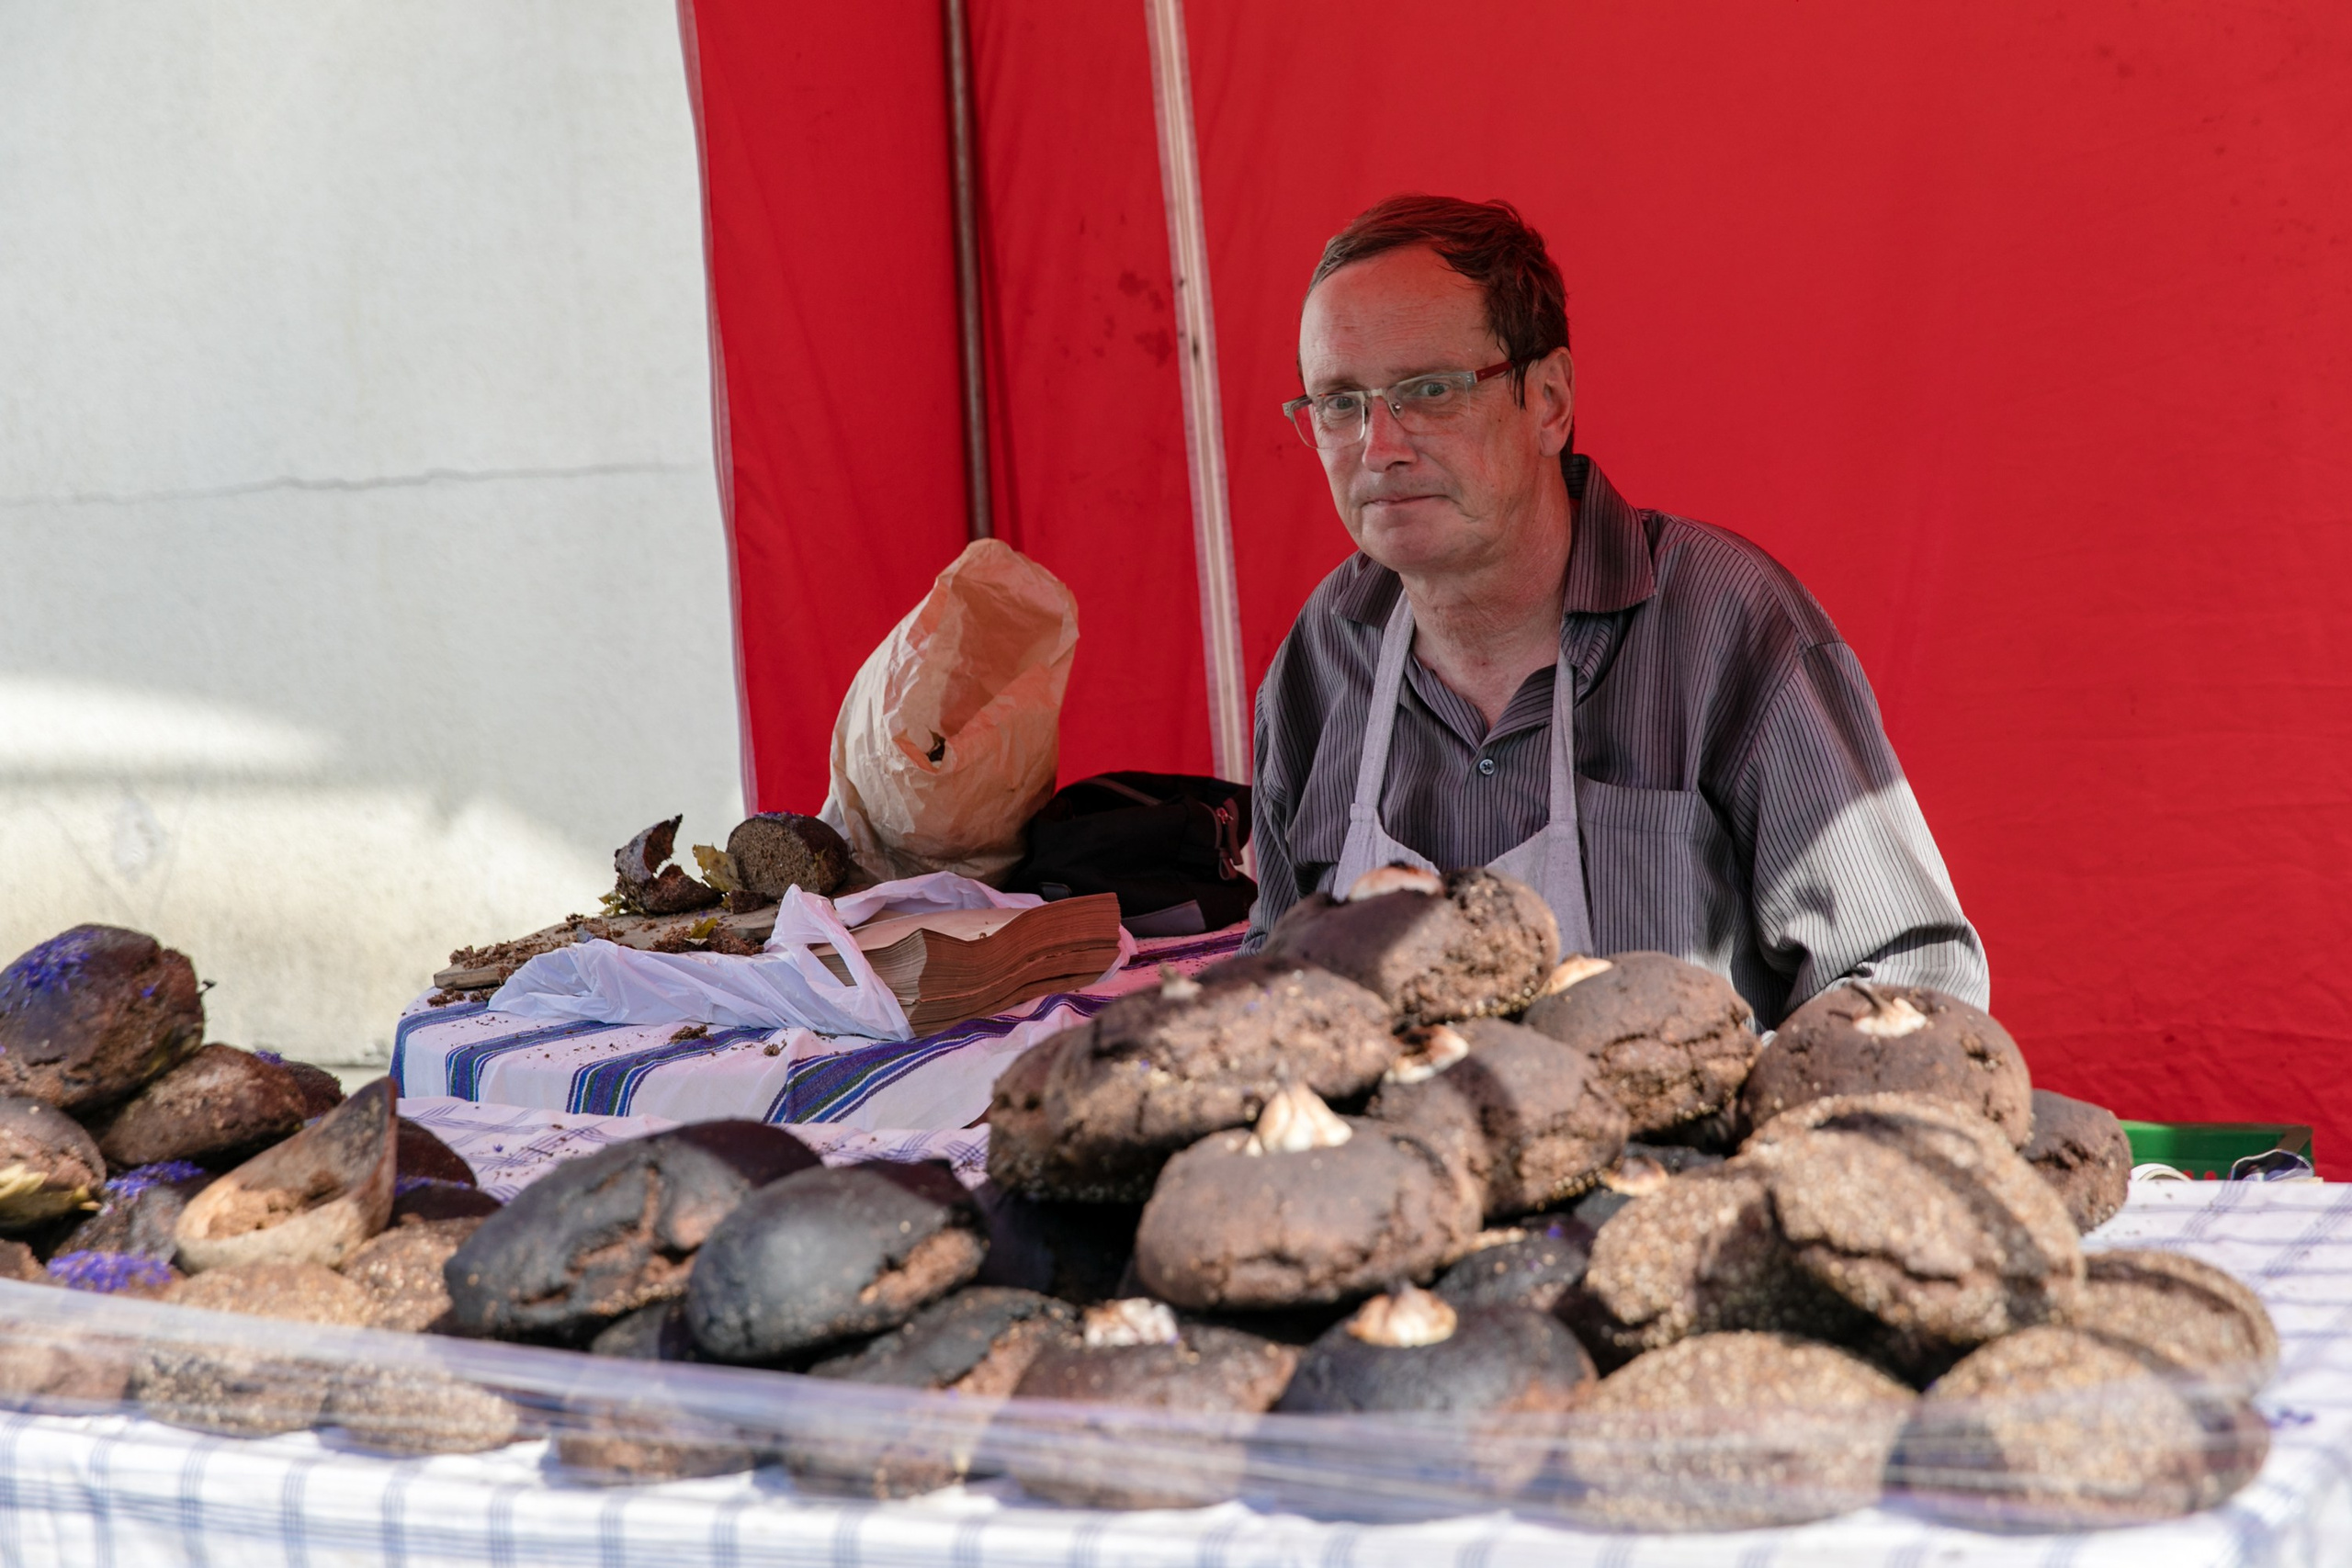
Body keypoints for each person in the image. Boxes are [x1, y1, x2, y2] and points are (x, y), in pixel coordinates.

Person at [1245, 194, 1985, 1027]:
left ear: (1550, 401)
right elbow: (1277, 968)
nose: (1380, 445)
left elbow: (1912, 977)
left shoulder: (1724, 626)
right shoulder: (1323, 656)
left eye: (1431, 390)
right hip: (1398, 1158)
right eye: (1341, 402)